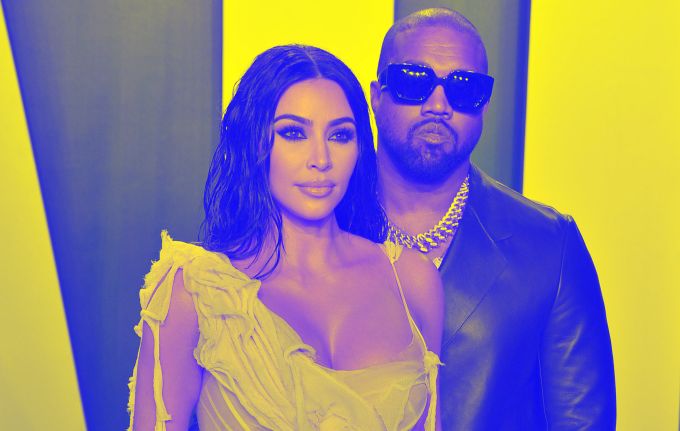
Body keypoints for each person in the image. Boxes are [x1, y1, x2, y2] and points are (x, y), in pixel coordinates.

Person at [127, 45, 444, 431]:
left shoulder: (412, 280)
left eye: (340, 135)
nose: (320, 159)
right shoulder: (193, 291)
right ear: (254, 143)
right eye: (293, 133)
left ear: (360, 148)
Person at [370, 8, 616, 430]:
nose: (438, 105)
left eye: (464, 89)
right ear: (377, 95)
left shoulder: (548, 245)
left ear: (484, 105)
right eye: (414, 81)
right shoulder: (318, 224)